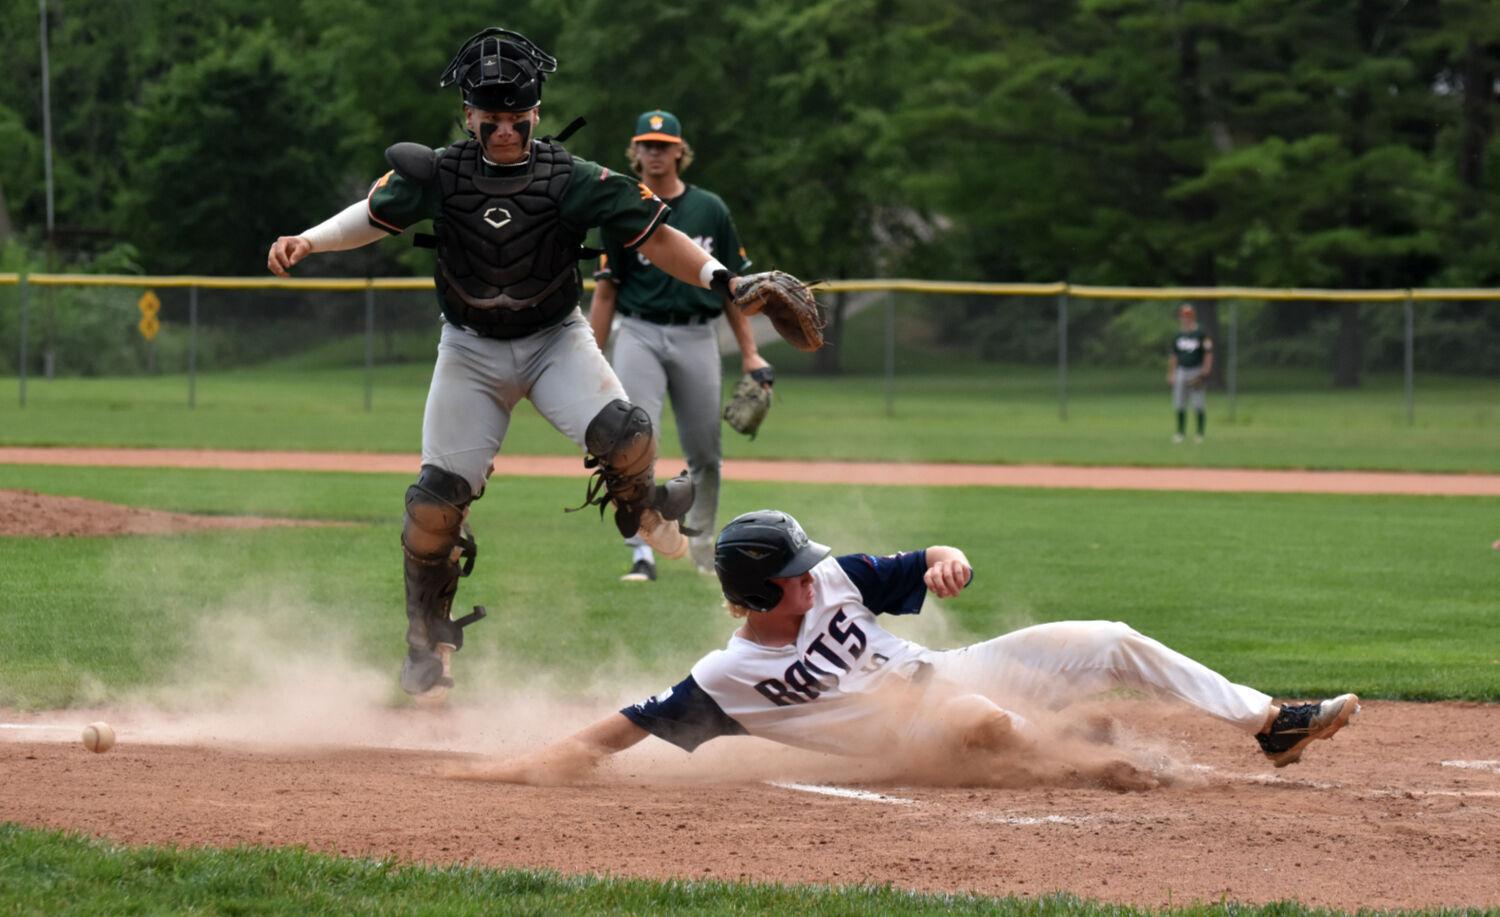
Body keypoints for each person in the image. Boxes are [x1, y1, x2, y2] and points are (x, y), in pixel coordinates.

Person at [264, 28, 799, 702]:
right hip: (469, 349)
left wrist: (724, 280)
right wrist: (307, 242)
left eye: (518, 120)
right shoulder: (440, 172)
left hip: (553, 340)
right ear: (468, 115)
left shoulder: (571, 177)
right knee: (433, 508)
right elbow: (373, 213)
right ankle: (427, 644)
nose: (507, 133)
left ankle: (645, 511)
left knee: (627, 434)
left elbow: (659, 240)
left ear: (537, 114)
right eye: (492, 122)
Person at [463, 510, 1360, 786]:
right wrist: (497, 772)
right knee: (976, 718)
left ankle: (1270, 721)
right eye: (797, 576)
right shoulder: (728, 679)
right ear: (758, 594)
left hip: (947, 675)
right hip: (912, 732)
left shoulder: (833, 580)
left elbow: (923, 559)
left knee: (1111, 638)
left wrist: (950, 560)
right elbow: (611, 734)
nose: (817, 579)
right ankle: (1085, 758)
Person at [589, 110, 769, 582]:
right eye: (645, 144)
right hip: (639, 332)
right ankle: (641, 552)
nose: (653, 152)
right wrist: (588, 356)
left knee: (705, 450)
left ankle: (703, 545)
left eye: (662, 144)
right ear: (636, 151)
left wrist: (750, 353)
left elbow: (732, 290)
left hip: (696, 334)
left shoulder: (710, 209)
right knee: (633, 444)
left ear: (678, 151)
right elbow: (606, 292)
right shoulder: (623, 207)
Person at [1168, 303, 1214, 443]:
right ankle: (1180, 433)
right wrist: (1171, 373)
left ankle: (1200, 433)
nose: (1185, 319)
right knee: (1179, 403)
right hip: (1181, 371)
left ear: (1193, 317)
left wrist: (1206, 369)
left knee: (1198, 403)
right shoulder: (1178, 335)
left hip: (1196, 370)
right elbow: (1174, 356)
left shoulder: (1201, 333)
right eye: (1183, 316)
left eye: (1188, 316)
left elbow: (1208, 352)